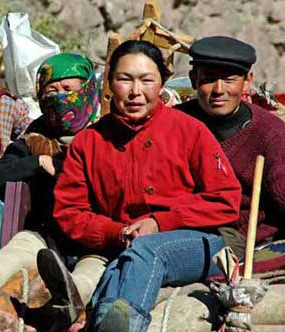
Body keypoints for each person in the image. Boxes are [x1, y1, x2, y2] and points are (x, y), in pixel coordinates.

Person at [48, 41, 242, 331]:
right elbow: (69, 212)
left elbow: (225, 200)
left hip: (200, 244)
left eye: (147, 80)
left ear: (162, 83)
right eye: (125, 79)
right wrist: (116, 233)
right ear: (110, 83)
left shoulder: (190, 130)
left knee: (145, 251)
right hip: (125, 247)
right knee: (117, 269)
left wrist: (161, 222)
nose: (136, 91)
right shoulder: (88, 142)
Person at [0, 53, 106, 329]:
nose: (59, 97)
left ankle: (72, 296)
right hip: (46, 238)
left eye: (68, 90)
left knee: (91, 270)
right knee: (20, 247)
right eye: (51, 91)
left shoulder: (109, 134)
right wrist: (37, 163)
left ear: (88, 89)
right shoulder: (33, 139)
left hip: (95, 240)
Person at [175, 36, 285, 258]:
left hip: (238, 236)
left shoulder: (270, 133)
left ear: (247, 81)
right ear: (193, 79)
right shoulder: (173, 122)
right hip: (177, 225)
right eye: (208, 79)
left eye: (229, 80)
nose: (218, 90)